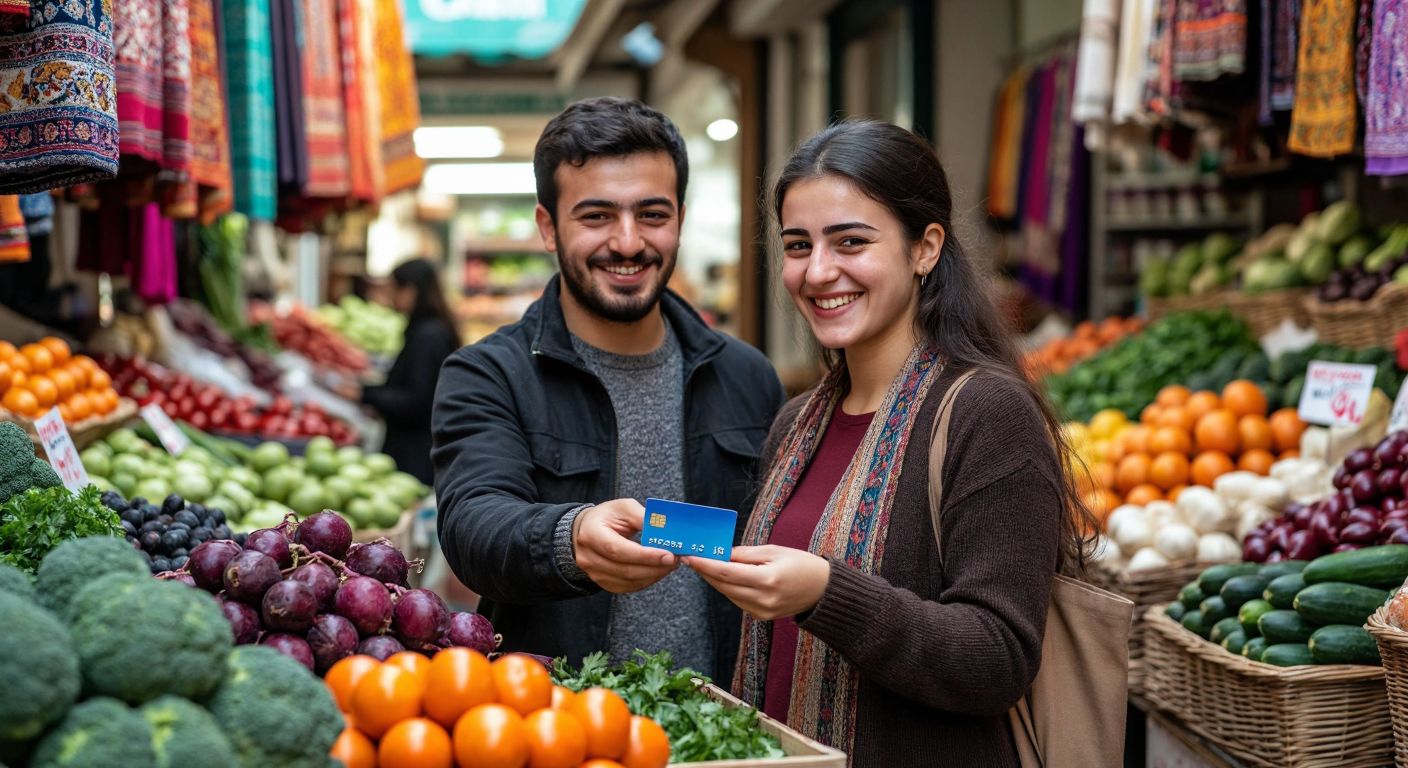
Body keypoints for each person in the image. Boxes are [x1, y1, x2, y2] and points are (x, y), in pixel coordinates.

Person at [684, 120, 1097, 767]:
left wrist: (827, 593)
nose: (819, 272)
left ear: (925, 247)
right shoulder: (797, 424)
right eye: (798, 246)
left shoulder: (987, 416)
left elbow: (999, 656)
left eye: (851, 241)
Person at [431, 97, 784, 683]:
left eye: (652, 214)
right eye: (596, 216)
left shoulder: (747, 377)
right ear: (549, 226)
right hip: (560, 725)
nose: (627, 242)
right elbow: (473, 527)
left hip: (724, 725)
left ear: (680, 219)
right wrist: (569, 538)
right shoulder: (489, 373)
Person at [355, 259, 461, 486]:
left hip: (414, 455)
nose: (391, 297)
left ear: (411, 290)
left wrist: (366, 395)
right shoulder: (430, 329)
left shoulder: (428, 335)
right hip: (418, 449)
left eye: (394, 289)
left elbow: (416, 400)